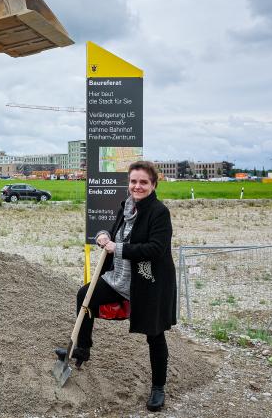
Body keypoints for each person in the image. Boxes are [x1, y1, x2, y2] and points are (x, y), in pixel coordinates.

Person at [70, 160, 176, 412]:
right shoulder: (127, 207)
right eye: (133, 181)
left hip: (148, 282)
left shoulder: (159, 212)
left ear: (153, 184)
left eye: (143, 182)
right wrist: (103, 236)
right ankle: (82, 348)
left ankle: (158, 388)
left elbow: (156, 248)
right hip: (120, 277)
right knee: (85, 296)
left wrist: (119, 248)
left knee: (155, 334)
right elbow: (117, 234)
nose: (137, 186)